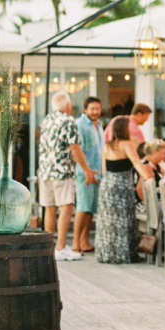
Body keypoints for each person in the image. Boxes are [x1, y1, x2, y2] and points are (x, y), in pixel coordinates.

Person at [38, 92, 99, 262]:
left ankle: (49, 247)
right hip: (62, 170)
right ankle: (60, 247)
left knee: (49, 208)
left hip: (45, 171)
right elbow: (75, 148)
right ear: (67, 106)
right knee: (66, 208)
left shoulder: (47, 120)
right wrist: (86, 169)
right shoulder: (68, 120)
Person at [96, 116, 152, 265]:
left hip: (107, 185)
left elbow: (104, 169)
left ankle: (108, 253)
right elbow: (137, 163)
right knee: (124, 220)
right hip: (122, 185)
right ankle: (125, 253)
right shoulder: (127, 144)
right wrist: (148, 178)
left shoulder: (107, 146)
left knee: (108, 221)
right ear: (124, 129)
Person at [73, 97, 104, 255]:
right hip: (84, 173)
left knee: (90, 210)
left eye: (97, 109)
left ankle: (84, 241)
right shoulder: (79, 124)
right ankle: (75, 243)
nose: (95, 112)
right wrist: (86, 170)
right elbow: (77, 150)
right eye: (92, 109)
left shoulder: (99, 124)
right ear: (85, 109)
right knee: (83, 207)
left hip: (98, 173)